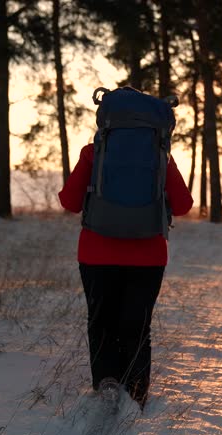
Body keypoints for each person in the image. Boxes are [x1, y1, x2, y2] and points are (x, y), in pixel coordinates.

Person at [58, 97, 193, 409]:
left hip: (96, 253)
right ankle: (136, 389)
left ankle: (106, 382)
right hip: (148, 255)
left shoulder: (93, 153)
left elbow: (70, 202)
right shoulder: (160, 155)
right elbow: (184, 205)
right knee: (138, 325)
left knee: (101, 321)